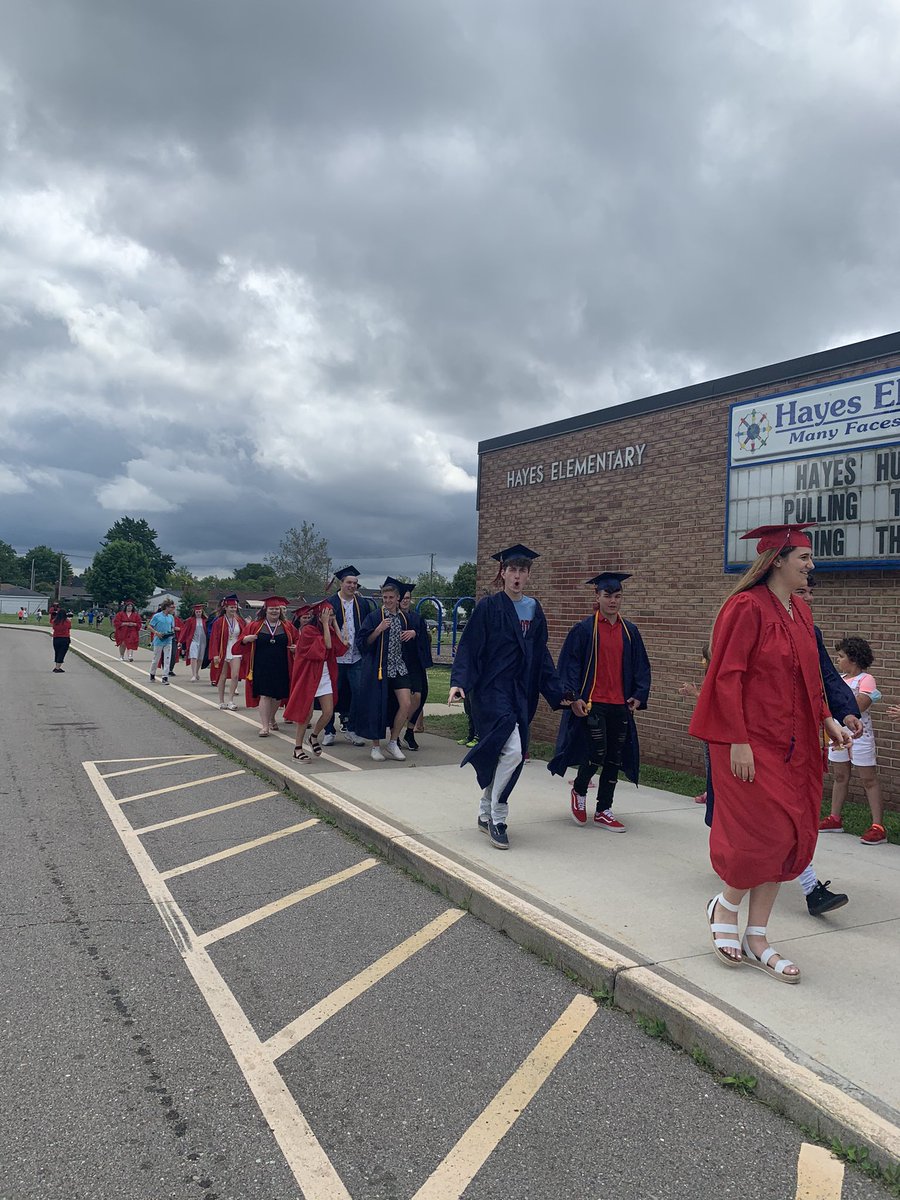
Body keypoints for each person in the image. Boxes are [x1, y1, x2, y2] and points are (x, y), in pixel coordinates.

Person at [689, 523, 852, 984]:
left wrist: (827, 719)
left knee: (790, 838)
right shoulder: (745, 607)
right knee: (760, 837)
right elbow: (727, 677)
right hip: (750, 744)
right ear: (777, 559)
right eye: (803, 557)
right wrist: (736, 738)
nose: (811, 565)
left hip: (795, 746)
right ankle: (725, 905)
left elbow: (811, 678)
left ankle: (757, 936)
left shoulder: (800, 611)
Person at [448, 545, 570, 850]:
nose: (516, 576)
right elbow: (470, 647)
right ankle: (498, 817)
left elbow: (541, 656)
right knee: (514, 751)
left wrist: (558, 692)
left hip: (521, 692)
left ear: (528, 575)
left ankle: (485, 807)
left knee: (506, 751)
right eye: (511, 570)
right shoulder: (488, 607)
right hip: (490, 690)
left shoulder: (534, 609)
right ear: (502, 573)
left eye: (522, 571)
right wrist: (459, 682)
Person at [548, 572, 651, 832]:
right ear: (597, 596)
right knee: (597, 754)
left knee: (614, 758)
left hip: (620, 704)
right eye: (608, 596)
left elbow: (641, 666)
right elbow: (570, 665)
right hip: (593, 703)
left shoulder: (630, 631)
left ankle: (604, 809)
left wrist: (639, 694)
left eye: (617, 596)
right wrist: (573, 698)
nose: (613, 601)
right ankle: (579, 792)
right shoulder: (584, 630)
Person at [819, 635, 886, 845]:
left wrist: (844, 702)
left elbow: (860, 705)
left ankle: (878, 826)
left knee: (868, 778)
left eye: (841, 657)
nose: (838, 660)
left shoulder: (866, 679)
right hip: (838, 732)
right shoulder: (837, 680)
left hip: (860, 735)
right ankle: (835, 818)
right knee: (840, 776)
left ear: (853, 659)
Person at [353, 577, 417, 762]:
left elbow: (417, 635)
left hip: (399, 666)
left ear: (398, 598)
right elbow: (363, 643)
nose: (387, 601)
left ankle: (393, 741)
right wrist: (378, 630)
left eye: (391, 597)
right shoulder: (375, 617)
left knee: (406, 704)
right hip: (379, 668)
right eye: (385, 597)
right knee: (377, 706)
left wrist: (414, 633)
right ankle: (375, 746)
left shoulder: (404, 617)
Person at [285, 601, 349, 760]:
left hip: (325, 674)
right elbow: (326, 645)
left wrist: (333, 623)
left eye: (331, 614)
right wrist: (327, 624)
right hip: (309, 675)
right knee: (306, 714)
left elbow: (340, 647)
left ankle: (313, 736)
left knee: (328, 711)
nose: (329, 616)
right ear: (318, 616)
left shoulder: (328, 628)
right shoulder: (308, 631)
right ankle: (297, 748)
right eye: (326, 614)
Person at [322, 566, 373, 747]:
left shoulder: (363, 603)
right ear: (341, 583)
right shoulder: (329, 603)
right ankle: (328, 730)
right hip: (335, 658)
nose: (352, 586)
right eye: (349, 582)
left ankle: (352, 729)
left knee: (358, 694)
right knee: (331, 695)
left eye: (355, 583)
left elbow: (367, 628)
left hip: (356, 656)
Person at [237, 597, 297, 737]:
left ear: (280, 611)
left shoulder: (287, 626)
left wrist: (296, 647)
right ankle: (265, 726)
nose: (274, 611)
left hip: (281, 665)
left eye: (277, 609)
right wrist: (246, 639)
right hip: (261, 665)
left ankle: (271, 717)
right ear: (266, 610)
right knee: (264, 695)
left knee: (277, 697)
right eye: (271, 609)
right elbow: (242, 640)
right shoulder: (255, 625)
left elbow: (298, 639)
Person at [399, 582, 434, 752]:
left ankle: (410, 731)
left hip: (415, 664)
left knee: (419, 696)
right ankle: (395, 732)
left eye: (408, 598)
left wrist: (416, 633)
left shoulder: (416, 618)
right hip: (398, 665)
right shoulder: (392, 617)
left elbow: (425, 639)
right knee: (399, 701)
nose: (406, 601)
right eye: (403, 598)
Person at [208, 594, 246, 709]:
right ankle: (221, 700)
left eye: (235, 607)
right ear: (225, 608)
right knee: (222, 675)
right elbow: (214, 638)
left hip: (235, 650)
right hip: (222, 650)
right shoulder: (219, 622)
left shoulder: (239, 621)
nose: (233, 609)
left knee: (235, 675)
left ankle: (230, 700)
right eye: (231, 607)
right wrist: (215, 654)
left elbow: (243, 635)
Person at [148, 600, 177, 684]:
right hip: (158, 640)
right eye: (171, 607)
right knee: (156, 659)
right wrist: (156, 633)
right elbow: (149, 626)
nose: (173, 609)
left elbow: (172, 627)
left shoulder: (171, 617)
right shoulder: (157, 616)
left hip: (168, 640)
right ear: (166, 607)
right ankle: (152, 673)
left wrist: (171, 632)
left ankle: (165, 677)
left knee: (167, 659)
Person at [179, 604, 210, 682]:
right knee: (193, 657)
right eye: (197, 611)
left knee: (200, 658)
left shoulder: (205, 620)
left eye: (199, 611)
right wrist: (180, 641)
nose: (198, 613)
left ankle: (196, 672)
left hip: (203, 641)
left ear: (202, 612)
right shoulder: (190, 620)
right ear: (194, 612)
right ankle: (193, 675)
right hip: (193, 640)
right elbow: (184, 631)